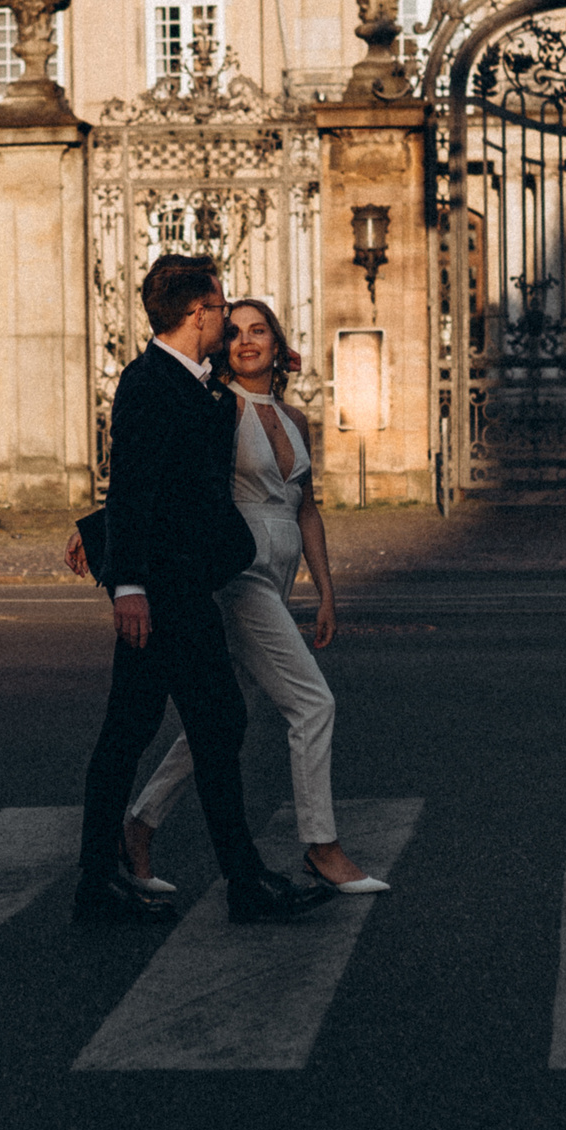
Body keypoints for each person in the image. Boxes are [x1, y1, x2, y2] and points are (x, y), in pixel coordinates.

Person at [96, 299, 390, 896]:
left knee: (218, 720)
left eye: (259, 330)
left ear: (278, 343)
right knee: (313, 704)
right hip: (238, 573)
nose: (247, 341)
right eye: (234, 333)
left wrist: (325, 591)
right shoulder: (218, 408)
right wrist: (98, 532)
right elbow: (166, 482)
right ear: (223, 348)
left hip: (281, 573)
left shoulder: (296, 418)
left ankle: (139, 826)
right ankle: (322, 847)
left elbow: (306, 508)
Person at [72, 254, 331, 927]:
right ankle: (229, 882)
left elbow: (171, 483)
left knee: (158, 729)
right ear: (197, 313)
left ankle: (112, 881)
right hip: (162, 595)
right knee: (184, 726)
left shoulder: (195, 384)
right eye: (220, 307)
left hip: (184, 586)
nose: (226, 318)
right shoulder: (148, 383)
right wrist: (128, 585)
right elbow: (134, 485)